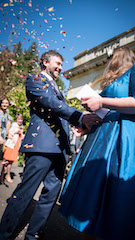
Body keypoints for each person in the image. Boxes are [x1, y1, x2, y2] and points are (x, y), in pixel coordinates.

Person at [59, 47, 135, 240]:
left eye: (111, 57)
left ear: (120, 57)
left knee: (120, 204)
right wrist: (87, 125)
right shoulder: (114, 82)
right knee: (93, 208)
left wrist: (102, 101)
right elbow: (109, 113)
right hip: (102, 142)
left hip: (127, 142)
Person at [0, 49, 101, 240]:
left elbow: (61, 111)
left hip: (60, 149)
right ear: (44, 62)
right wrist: (81, 117)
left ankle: (33, 234)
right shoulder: (34, 79)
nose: (61, 68)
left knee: (50, 195)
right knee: (26, 192)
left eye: (62, 65)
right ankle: (4, 234)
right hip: (41, 146)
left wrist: (80, 125)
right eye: (58, 63)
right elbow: (50, 102)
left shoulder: (57, 87)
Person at [0, 114, 24, 183]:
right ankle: (5, 176)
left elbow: (21, 137)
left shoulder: (20, 127)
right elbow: (10, 134)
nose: (20, 120)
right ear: (16, 119)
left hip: (16, 145)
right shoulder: (14, 125)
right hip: (11, 145)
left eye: (21, 119)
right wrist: (17, 131)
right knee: (6, 161)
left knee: (10, 162)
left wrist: (21, 133)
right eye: (19, 119)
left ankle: (5, 175)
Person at [0, 97, 13, 181]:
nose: (5, 104)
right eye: (3, 103)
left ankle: (2, 176)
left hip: (5, 139)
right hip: (1, 137)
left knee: (5, 158)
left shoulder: (8, 114)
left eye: (6, 103)